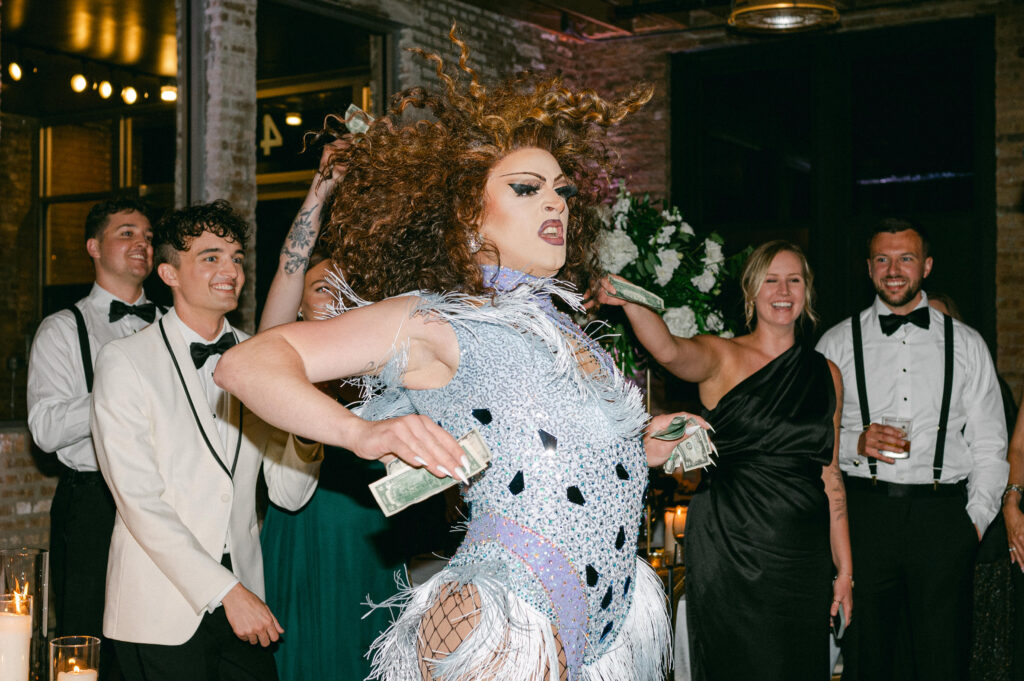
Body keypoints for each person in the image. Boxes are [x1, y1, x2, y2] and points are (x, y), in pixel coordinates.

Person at [216, 29, 682, 681]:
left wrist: (641, 443)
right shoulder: (437, 319)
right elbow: (245, 365)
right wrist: (362, 431)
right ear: (467, 211)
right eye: (526, 187)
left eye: (562, 190)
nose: (554, 201)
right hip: (505, 612)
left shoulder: (568, 333)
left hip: (604, 621)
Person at [595, 240, 852, 680]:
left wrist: (845, 569)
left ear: (807, 291)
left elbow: (830, 476)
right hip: (733, 540)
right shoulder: (722, 355)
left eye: (794, 280)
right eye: (771, 279)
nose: (783, 290)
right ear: (752, 292)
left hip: (803, 553)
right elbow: (670, 350)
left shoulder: (827, 373)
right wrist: (629, 301)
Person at [90, 200, 322, 681]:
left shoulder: (262, 358)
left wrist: (307, 418)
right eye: (210, 257)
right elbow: (139, 503)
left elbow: (289, 493)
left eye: (237, 257)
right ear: (169, 274)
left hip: (246, 596)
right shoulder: (125, 360)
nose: (230, 270)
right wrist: (226, 591)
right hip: (160, 607)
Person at [816, 218, 1008, 681]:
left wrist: (973, 523)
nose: (894, 269)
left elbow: (989, 442)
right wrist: (855, 444)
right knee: (869, 658)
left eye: (905, 258)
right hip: (865, 516)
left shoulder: (966, 344)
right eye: (883, 259)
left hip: (942, 519)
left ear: (926, 266)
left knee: (943, 660)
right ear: (868, 268)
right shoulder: (836, 343)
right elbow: (812, 441)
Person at [257, 145, 404, 680]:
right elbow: (289, 264)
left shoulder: (377, 357)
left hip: (371, 528)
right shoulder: (283, 349)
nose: (336, 295)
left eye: (346, 288)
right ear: (297, 302)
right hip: (306, 522)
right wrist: (321, 189)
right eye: (323, 287)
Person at [27, 197, 159, 680]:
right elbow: (44, 429)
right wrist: (116, 396)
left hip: (165, 498)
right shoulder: (63, 330)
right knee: (90, 643)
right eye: (127, 233)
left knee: (157, 643)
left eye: (147, 235)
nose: (141, 243)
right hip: (93, 506)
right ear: (93, 247)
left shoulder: (171, 326)